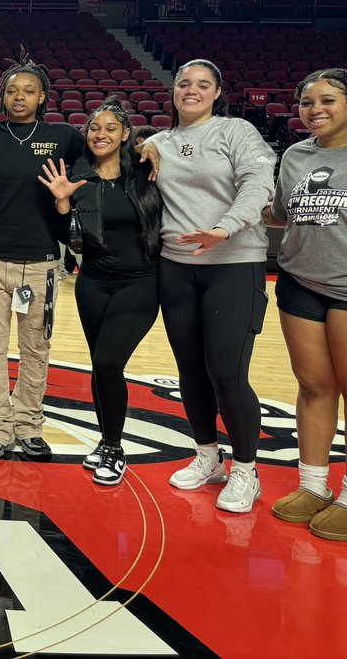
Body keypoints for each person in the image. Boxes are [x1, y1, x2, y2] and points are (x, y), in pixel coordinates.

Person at [141, 58, 274, 512]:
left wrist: (225, 227)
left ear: (218, 93)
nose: (191, 90)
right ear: (174, 90)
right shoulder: (158, 143)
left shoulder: (236, 132)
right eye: (184, 83)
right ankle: (207, 456)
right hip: (177, 268)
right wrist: (143, 144)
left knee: (226, 371)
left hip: (234, 263)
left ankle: (246, 471)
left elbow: (258, 183)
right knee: (190, 370)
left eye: (203, 84)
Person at [0, 53, 85, 461]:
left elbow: (107, 150)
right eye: (12, 90)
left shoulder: (63, 135)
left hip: (42, 261)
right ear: (2, 95)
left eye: (29, 91)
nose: (19, 97)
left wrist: (147, 146)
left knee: (36, 349)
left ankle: (29, 425)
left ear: (42, 96)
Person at [38, 100, 161, 485]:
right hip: (92, 281)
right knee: (100, 366)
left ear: (125, 134)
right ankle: (107, 442)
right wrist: (62, 203)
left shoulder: (145, 169)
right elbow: (66, 237)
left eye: (110, 128)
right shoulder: (76, 175)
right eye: (94, 128)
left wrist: (152, 146)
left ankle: (114, 448)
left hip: (140, 281)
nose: (101, 134)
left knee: (108, 363)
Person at [263, 68, 347, 536]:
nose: (315, 109)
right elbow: (282, 213)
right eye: (307, 102)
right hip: (299, 282)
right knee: (314, 386)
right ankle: (314, 485)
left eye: (327, 100)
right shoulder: (296, 154)